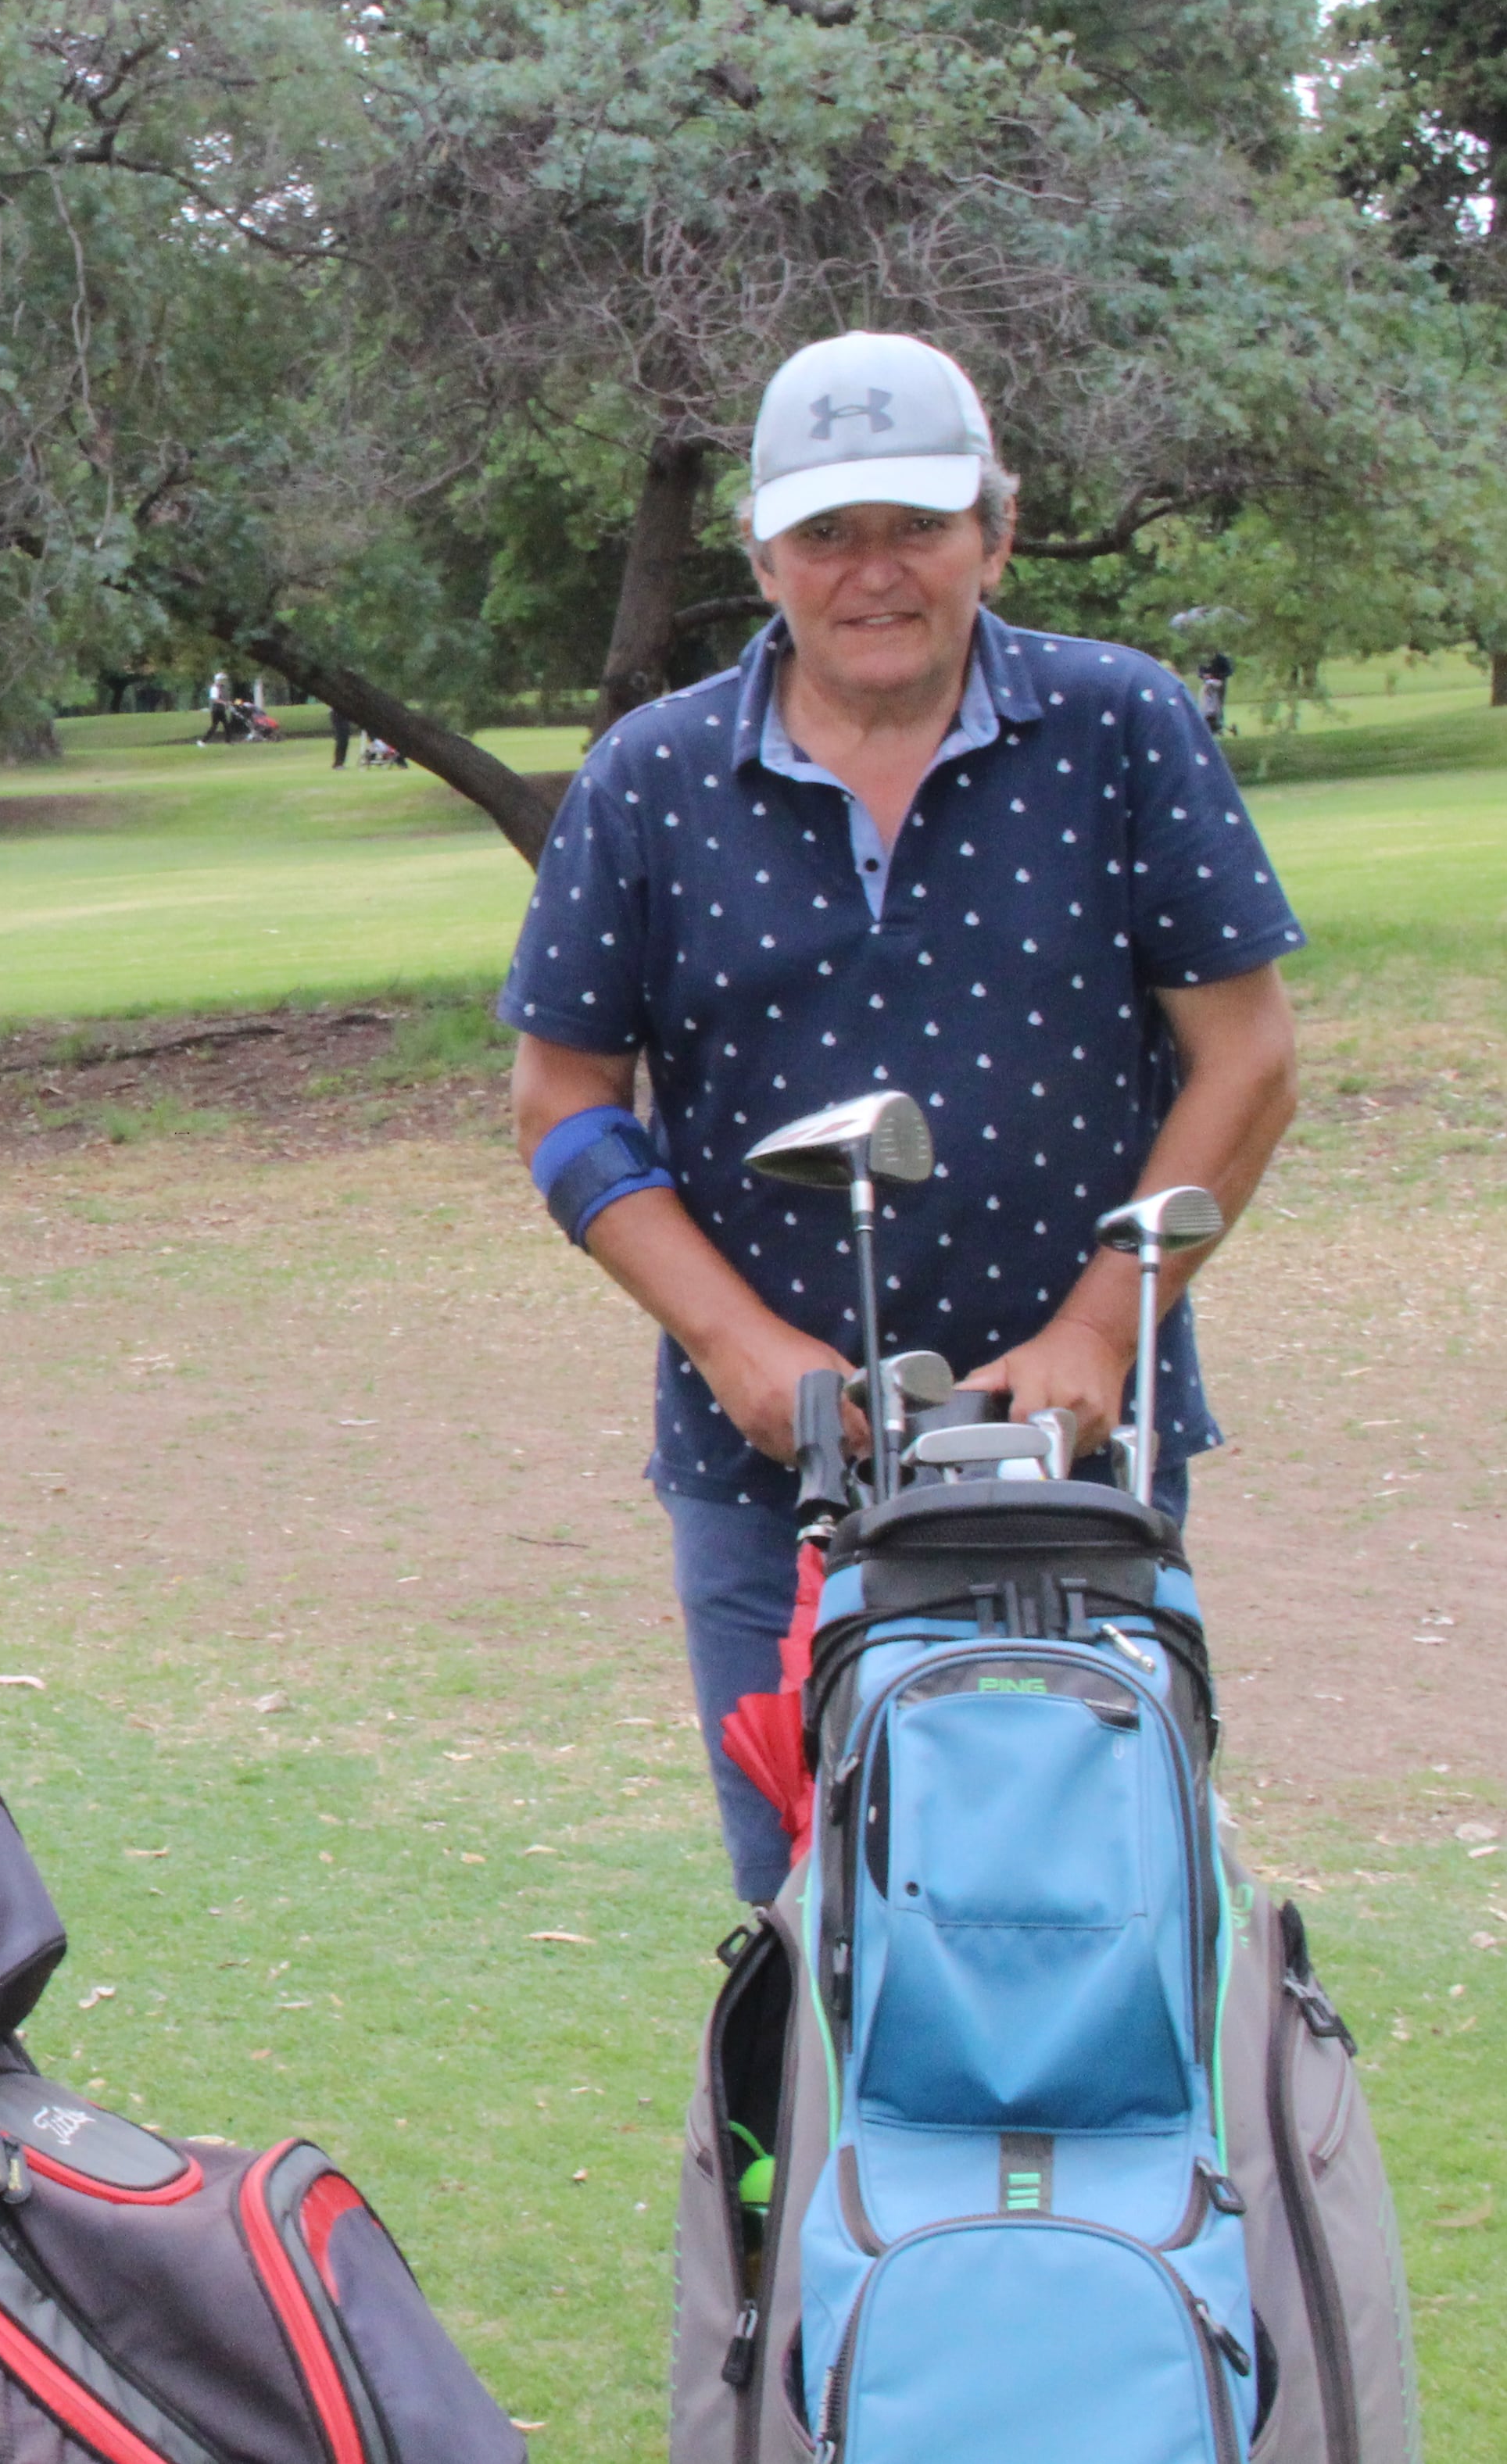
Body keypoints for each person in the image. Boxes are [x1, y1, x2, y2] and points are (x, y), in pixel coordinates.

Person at [499, 329, 1301, 1906]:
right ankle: (813, 2168)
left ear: (991, 536)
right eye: (827, 533)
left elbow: (1248, 1058)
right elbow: (562, 1100)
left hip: (1076, 1457)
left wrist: (1095, 1328)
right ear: (764, 554)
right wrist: (738, 1349)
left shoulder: (1122, 729)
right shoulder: (650, 777)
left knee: (1094, 1896)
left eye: (917, 528)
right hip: (770, 1483)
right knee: (813, 1910)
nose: (874, 572)